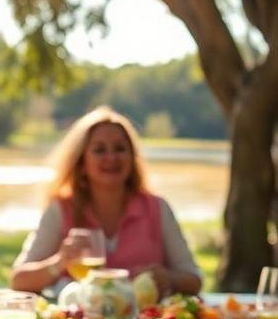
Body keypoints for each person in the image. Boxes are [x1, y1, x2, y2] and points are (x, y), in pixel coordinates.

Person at [11, 106, 203, 296]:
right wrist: (59, 262)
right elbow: (19, 281)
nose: (111, 157)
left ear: (132, 157)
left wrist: (169, 279)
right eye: (99, 150)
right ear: (81, 162)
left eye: (120, 149)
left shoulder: (157, 208)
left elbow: (194, 280)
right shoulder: (60, 209)